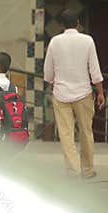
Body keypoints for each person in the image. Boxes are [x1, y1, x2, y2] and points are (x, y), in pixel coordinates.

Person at [43, 9, 105, 179]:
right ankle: (87, 170)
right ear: (78, 23)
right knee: (86, 132)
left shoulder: (55, 42)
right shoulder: (88, 40)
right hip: (84, 93)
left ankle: (73, 170)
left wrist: (53, 82)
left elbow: (48, 72)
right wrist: (100, 93)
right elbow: (95, 70)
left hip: (61, 94)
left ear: (61, 25)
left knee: (66, 134)